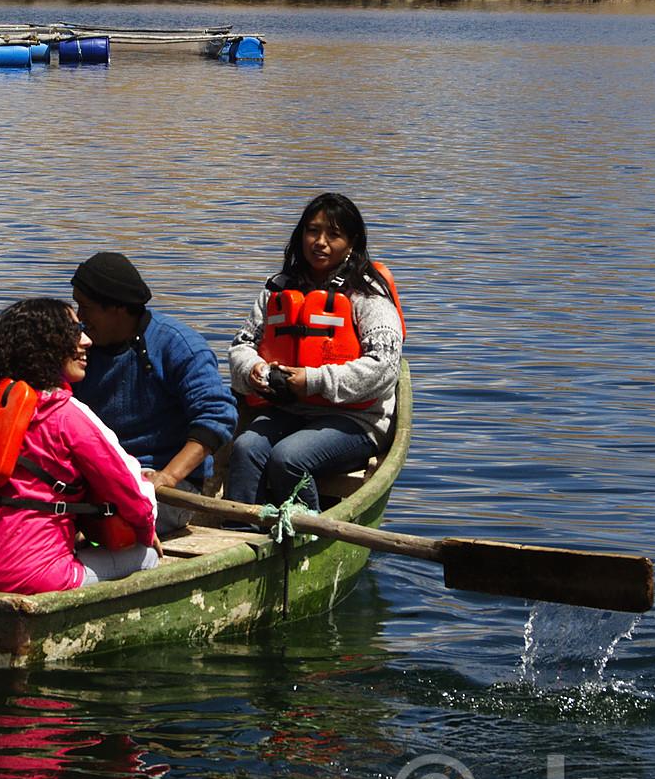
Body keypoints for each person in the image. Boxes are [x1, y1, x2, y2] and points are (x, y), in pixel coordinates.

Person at [0, 298, 160, 594]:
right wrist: (147, 533)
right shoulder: (64, 413)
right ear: (45, 346)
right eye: (73, 332)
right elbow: (130, 495)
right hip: (31, 577)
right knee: (146, 556)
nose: (86, 341)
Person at [225, 194, 404, 511]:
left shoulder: (367, 292)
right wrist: (253, 370)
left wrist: (313, 380)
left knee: (289, 458)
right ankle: (240, 534)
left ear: (351, 242)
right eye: (312, 231)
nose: (320, 242)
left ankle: (307, 537)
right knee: (244, 448)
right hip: (289, 409)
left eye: (333, 235)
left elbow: (385, 367)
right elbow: (242, 345)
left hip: (356, 419)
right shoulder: (278, 289)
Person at [69, 251, 236, 531]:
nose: (79, 317)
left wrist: (168, 476)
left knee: (108, 525)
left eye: (85, 307)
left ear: (118, 309)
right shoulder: (82, 348)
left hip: (164, 486)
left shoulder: (178, 345)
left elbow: (217, 417)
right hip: (100, 476)